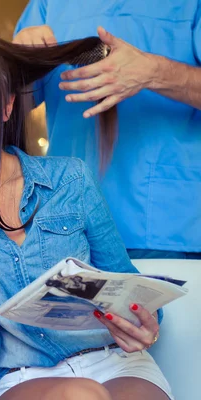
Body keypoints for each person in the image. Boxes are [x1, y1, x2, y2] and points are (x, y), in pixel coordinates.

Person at [0, 30, 172, 400]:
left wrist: (146, 323)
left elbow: (127, 283)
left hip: (114, 361)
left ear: (6, 107)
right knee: (81, 396)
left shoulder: (70, 179)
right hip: (19, 378)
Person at [13, 0, 201, 259]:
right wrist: (19, 65)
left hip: (166, 229)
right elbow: (11, 110)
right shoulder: (47, 5)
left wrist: (153, 72)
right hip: (67, 229)